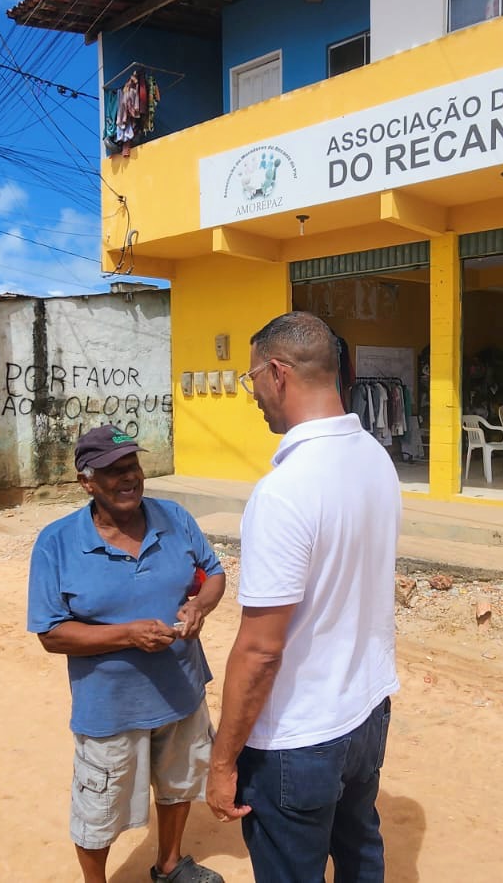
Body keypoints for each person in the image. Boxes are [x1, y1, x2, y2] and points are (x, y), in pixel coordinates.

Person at [207, 312, 402, 882]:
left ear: (277, 373)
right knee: (361, 848)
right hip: (366, 714)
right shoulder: (374, 458)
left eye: (251, 382)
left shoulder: (284, 491)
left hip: (300, 737)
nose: (254, 397)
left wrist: (222, 762)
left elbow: (261, 650)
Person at [28, 424, 227, 883]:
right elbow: (51, 633)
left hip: (181, 690)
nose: (128, 479)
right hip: (110, 708)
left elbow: (212, 572)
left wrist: (200, 605)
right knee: (99, 806)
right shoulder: (56, 542)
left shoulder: (174, 517)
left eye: (132, 467)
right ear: (87, 481)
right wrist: (127, 635)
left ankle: (170, 864)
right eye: (112, 471)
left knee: (178, 784)